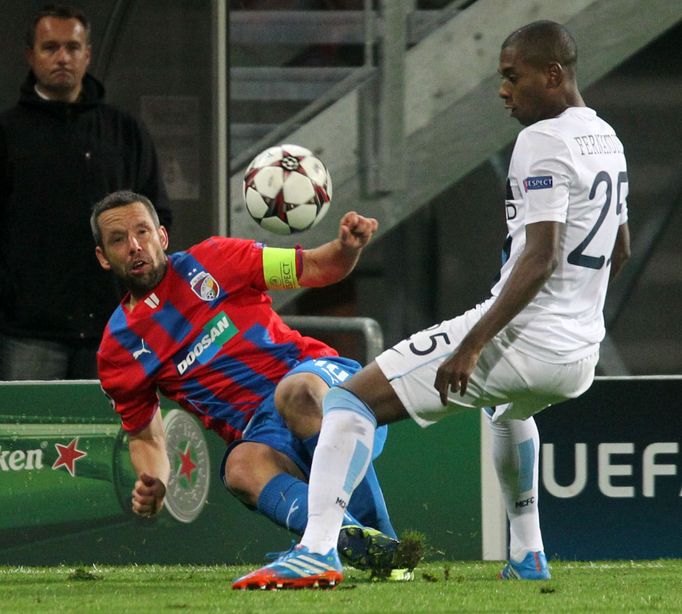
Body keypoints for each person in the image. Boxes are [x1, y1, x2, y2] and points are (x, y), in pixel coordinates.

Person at [233, 19, 632, 590]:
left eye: (512, 77)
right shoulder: (607, 138)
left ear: (553, 74)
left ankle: (317, 549)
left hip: (525, 339)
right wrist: (579, 316)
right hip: (578, 354)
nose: (503, 89)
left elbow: (539, 259)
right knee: (509, 411)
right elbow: (618, 246)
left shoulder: (540, 140)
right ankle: (529, 555)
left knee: (351, 399)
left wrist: (472, 345)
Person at [91, 190, 406, 574]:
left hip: (327, 385)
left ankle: (378, 535)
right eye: (119, 240)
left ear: (162, 236)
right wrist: (154, 479)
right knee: (239, 467)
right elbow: (146, 437)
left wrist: (346, 247)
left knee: (296, 393)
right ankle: (353, 542)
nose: (135, 246)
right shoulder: (118, 350)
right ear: (104, 257)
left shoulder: (216, 259)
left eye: (142, 232)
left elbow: (316, 267)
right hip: (262, 429)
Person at [0, 4, 171, 380]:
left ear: (87, 54)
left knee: (117, 437)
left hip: (117, 327)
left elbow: (157, 217)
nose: (63, 57)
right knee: (27, 437)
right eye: (50, 48)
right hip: (29, 333)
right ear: (31, 55)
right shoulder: (7, 133)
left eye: (73, 48)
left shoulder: (125, 132)